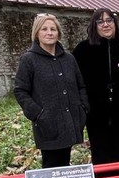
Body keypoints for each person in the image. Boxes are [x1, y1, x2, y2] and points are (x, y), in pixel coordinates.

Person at [14, 13, 90, 168]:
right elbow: (20, 90)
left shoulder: (69, 59)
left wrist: (83, 108)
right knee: (52, 167)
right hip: (48, 124)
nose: (49, 32)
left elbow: (80, 86)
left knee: (65, 163)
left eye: (53, 29)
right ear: (37, 33)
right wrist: (38, 114)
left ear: (58, 33)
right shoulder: (29, 60)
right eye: (44, 29)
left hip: (71, 121)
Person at [72, 8, 119, 173]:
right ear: (94, 25)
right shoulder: (83, 50)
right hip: (95, 110)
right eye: (100, 21)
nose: (105, 25)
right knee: (100, 150)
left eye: (109, 20)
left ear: (115, 23)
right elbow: (76, 79)